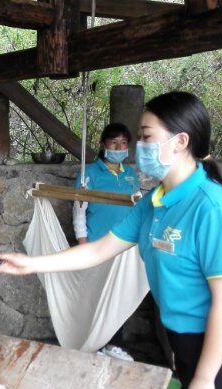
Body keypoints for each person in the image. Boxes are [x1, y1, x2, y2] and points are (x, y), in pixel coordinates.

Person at [0, 92, 222, 389]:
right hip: (184, 343)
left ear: (180, 142)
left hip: (221, 353)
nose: (139, 148)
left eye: (147, 137)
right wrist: (31, 263)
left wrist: (204, 378)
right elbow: (99, 250)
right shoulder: (154, 202)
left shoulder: (211, 209)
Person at [73, 122, 140, 361]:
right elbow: (79, 212)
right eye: (114, 143)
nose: (119, 148)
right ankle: (96, 344)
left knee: (121, 296)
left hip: (126, 246)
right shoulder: (89, 173)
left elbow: (137, 207)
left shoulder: (130, 173)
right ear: (103, 145)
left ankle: (112, 345)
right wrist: (83, 245)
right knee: (96, 296)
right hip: (97, 245)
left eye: (123, 143)